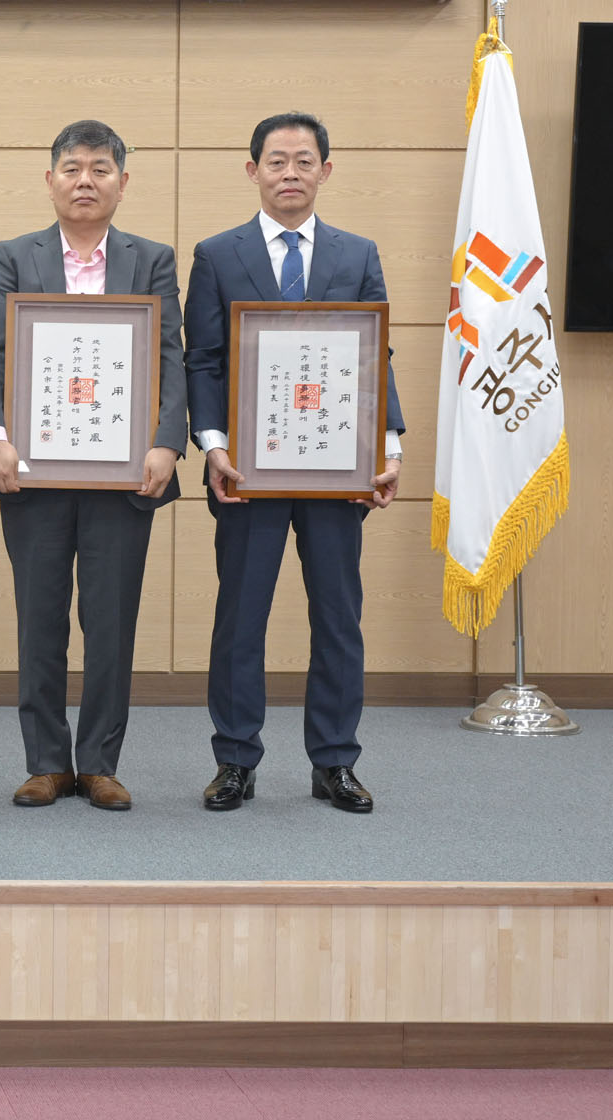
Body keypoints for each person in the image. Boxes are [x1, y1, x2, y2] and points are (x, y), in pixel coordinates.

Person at [185, 112, 404, 814]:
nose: (289, 173)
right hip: (245, 473)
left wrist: (387, 447)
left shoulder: (357, 254)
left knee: (338, 617)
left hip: (337, 472)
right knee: (240, 618)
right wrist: (213, 447)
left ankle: (335, 762)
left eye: (303, 161)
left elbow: (375, 355)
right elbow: (203, 360)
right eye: (276, 161)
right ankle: (235, 761)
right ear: (252, 170)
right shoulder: (216, 255)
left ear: (325, 171)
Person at [0, 120, 187, 813]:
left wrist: (167, 441)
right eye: (72, 168)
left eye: (100, 168)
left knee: (111, 621)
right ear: (50, 180)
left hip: (123, 475)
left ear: (122, 182)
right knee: (39, 620)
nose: (85, 181)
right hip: (31, 471)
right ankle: (44, 763)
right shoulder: (14, 256)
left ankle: (97, 764)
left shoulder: (152, 260)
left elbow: (171, 356)